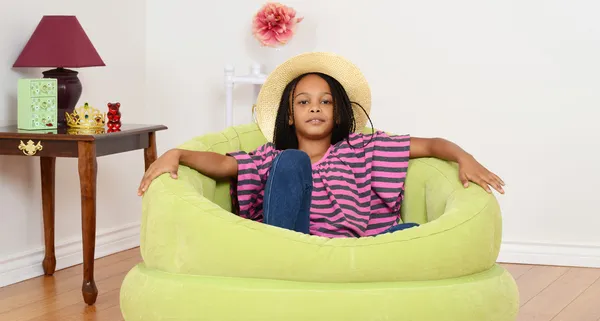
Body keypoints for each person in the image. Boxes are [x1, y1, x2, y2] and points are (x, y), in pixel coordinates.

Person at [138, 52, 504, 239]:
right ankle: (285, 261)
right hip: (290, 245)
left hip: (349, 250)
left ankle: (351, 268)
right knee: (293, 162)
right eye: (304, 102)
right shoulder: (274, 157)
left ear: (339, 112)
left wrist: (463, 157)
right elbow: (222, 164)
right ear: (289, 116)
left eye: (325, 101)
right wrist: (178, 154)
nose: (315, 107)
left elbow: (431, 144)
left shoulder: (364, 148)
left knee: (410, 235)